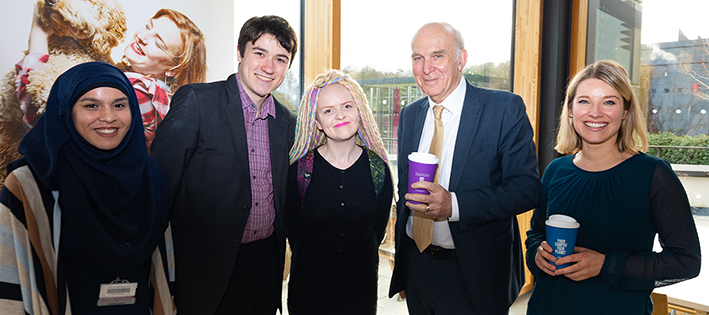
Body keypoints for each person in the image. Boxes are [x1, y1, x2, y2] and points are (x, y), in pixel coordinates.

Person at [388, 22, 542, 314]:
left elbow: (527, 188)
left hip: (474, 274)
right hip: (418, 266)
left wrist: (454, 205)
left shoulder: (503, 109)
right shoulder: (409, 115)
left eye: (437, 55)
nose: (426, 68)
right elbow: (404, 192)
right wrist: (405, 267)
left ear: (461, 59)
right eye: (417, 58)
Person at [525, 60, 701, 314]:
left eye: (609, 102)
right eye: (584, 101)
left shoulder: (653, 174)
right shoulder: (556, 170)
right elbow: (536, 233)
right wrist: (537, 254)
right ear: (571, 110)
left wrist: (605, 265)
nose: (595, 113)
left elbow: (685, 261)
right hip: (548, 306)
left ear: (626, 111)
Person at [150, 15, 297, 315]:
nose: (269, 67)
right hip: (204, 272)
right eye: (260, 53)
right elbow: (158, 188)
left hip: (264, 269)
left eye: (280, 59)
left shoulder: (288, 123)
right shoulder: (197, 102)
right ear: (241, 53)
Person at [0, 62, 171, 314]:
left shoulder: (150, 178)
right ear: (66, 112)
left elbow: (165, 266)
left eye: (119, 105)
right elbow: (9, 273)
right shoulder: (31, 184)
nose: (109, 117)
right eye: (91, 106)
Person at [17, 5, 207, 150]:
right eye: (148, 26)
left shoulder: (142, 92)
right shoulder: (124, 77)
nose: (143, 37)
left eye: (158, 43)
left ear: (172, 70)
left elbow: (46, 122)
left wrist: (39, 33)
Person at [286, 70, 394, 314]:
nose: (340, 115)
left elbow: (376, 231)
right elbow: (293, 230)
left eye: (347, 106)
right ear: (317, 123)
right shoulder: (300, 170)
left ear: (360, 112)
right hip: (308, 294)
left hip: (361, 293)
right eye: (328, 110)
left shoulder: (378, 169)